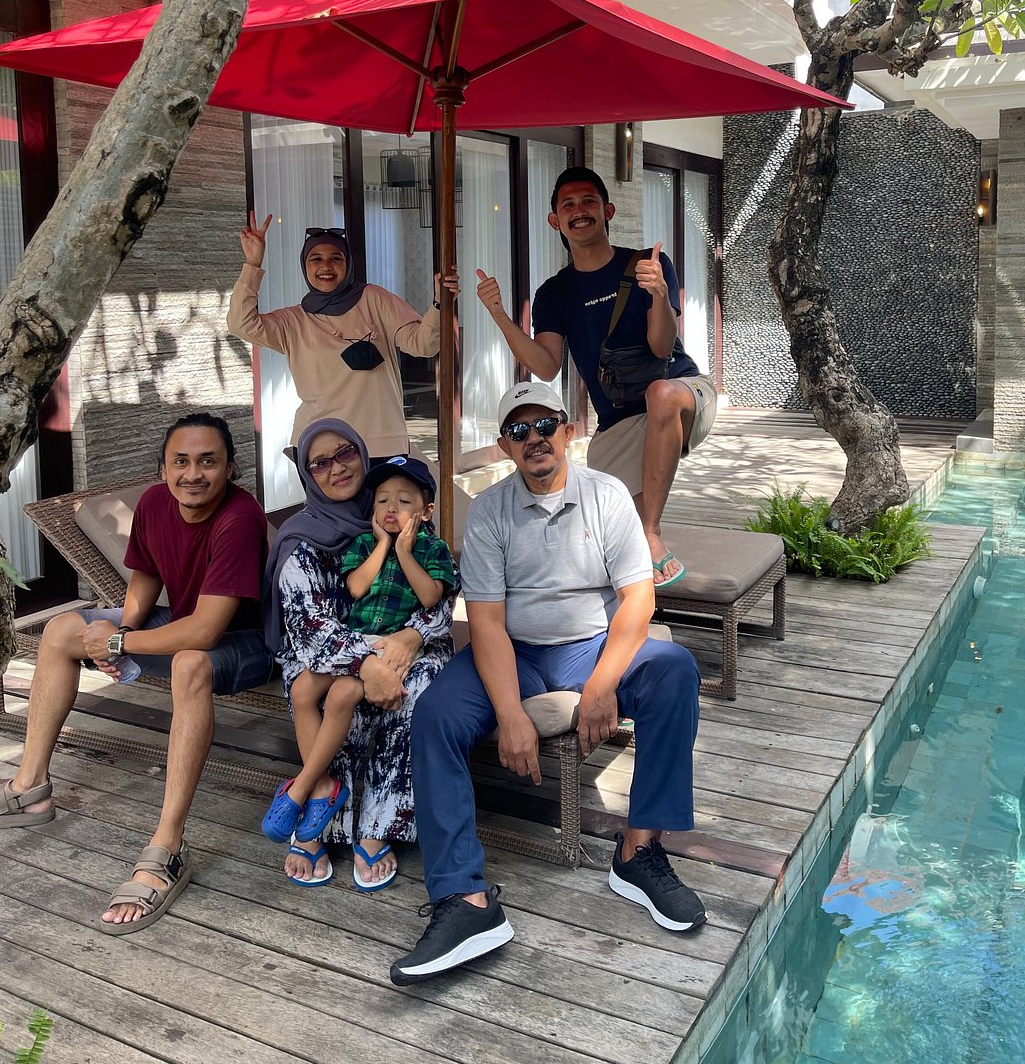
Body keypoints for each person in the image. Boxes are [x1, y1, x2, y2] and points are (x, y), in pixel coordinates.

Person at [391, 381, 705, 986]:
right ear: (506, 446)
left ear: (567, 431)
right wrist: (511, 713)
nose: (534, 439)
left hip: (593, 645)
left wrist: (601, 687)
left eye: (544, 426)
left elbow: (638, 600)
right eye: (519, 431)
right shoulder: (490, 512)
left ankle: (638, 852)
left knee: (674, 670)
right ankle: (464, 899)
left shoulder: (607, 495)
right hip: (517, 651)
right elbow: (485, 621)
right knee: (435, 715)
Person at [0, 413, 271, 933]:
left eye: (208, 461)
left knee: (189, 663)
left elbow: (206, 631)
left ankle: (167, 846)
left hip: (251, 643)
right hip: (184, 623)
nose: (193, 474)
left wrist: (119, 642)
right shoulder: (152, 503)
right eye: (180, 461)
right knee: (61, 629)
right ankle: (30, 787)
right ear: (163, 469)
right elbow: (145, 575)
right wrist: (120, 630)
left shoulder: (240, 516)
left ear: (230, 468)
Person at [475, 167, 716, 587]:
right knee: (616, 534)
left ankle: (652, 533)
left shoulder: (648, 265)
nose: (579, 210)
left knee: (660, 395)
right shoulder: (554, 293)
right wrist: (498, 314)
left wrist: (660, 294)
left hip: (683, 396)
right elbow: (546, 366)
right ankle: (636, 594)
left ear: (608, 211)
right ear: (555, 220)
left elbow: (662, 347)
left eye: (588, 201)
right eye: (568, 204)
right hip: (619, 422)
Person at [264, 421, 454, 891]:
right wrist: (367, 663)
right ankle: (320, 812)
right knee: (320, 690)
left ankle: (376, 825)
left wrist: (411, 636)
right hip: (320, 652)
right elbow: (308, 629)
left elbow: (442, 600)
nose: (337, 468)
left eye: (346, 452)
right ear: (307, 475)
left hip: (398, 643)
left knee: (415, 689)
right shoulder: (302, 540)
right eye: (319, 463)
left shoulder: (401, 521)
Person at [228, 214, 460, 454]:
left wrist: (439, 304)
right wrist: (253, 264)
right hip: (320, 448)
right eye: (316, 259)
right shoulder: (293, 321)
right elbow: (240, 324)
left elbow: (423, 345)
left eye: (336, 258)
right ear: (305, 266)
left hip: (380, 443)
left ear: (348, 263)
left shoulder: (373, 300)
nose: (326, 266)